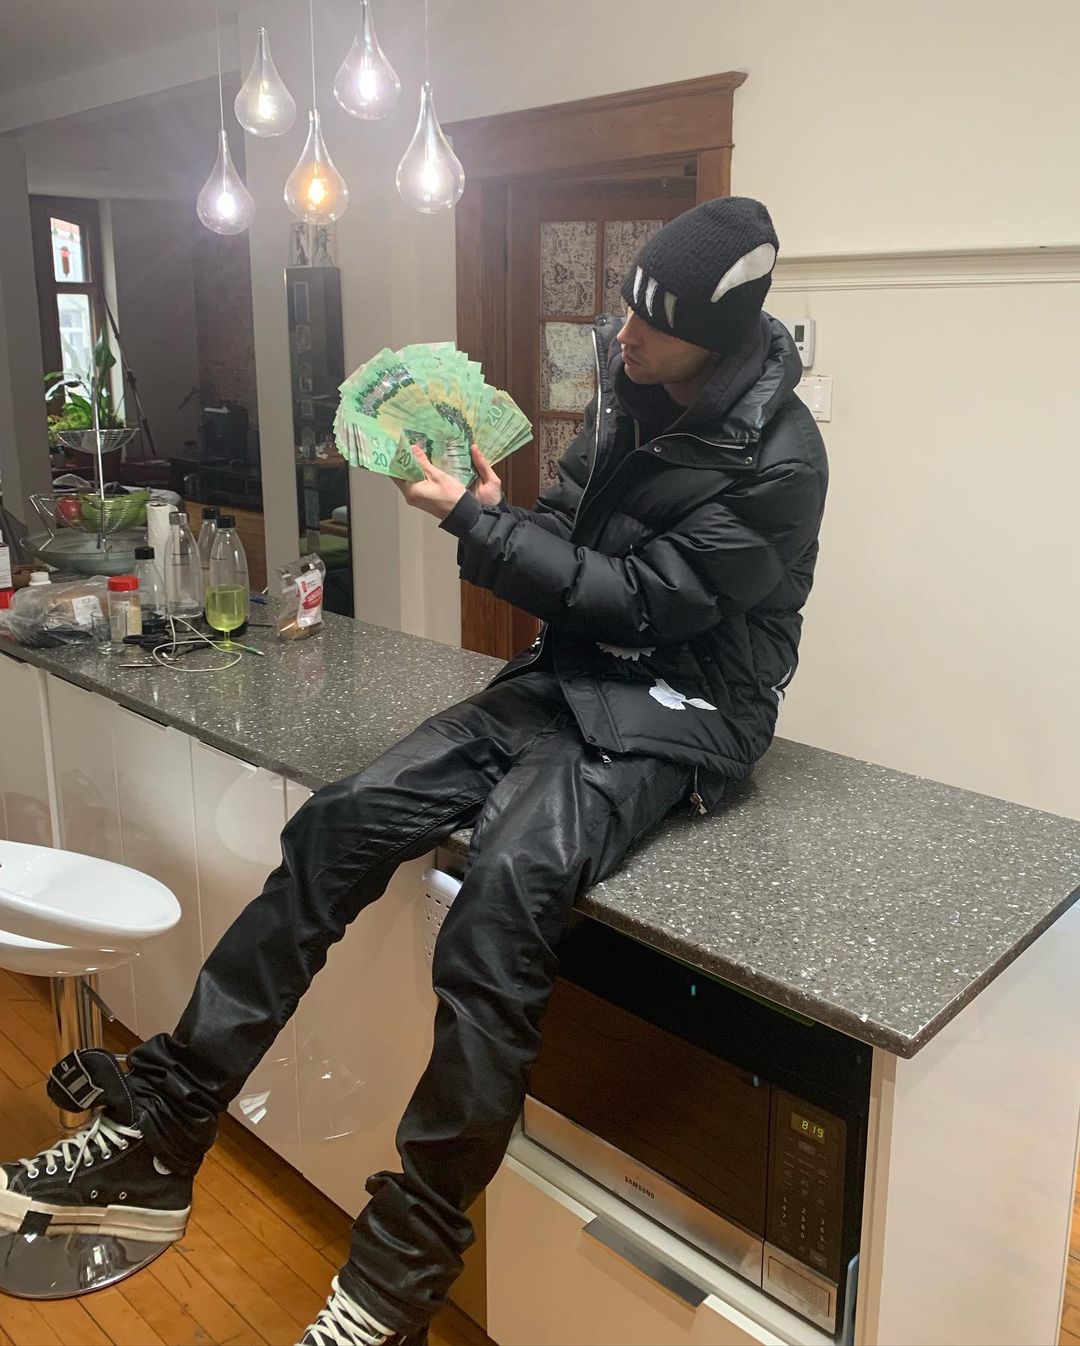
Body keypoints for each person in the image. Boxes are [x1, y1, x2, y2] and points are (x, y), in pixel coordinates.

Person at [0, 197, 827, 1346]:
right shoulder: (629, 382)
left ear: (720, 337)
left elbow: (647, 603)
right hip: (571, 673)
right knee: (337, 820)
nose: (626, 333)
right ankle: (166, 1122)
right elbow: (571, 539)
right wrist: (497, 513)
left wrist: (479, 533)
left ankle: (395, 1278)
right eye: (627, 306)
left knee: (502, 895)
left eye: (655, 323)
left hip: (681, 711)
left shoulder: (782, 456)